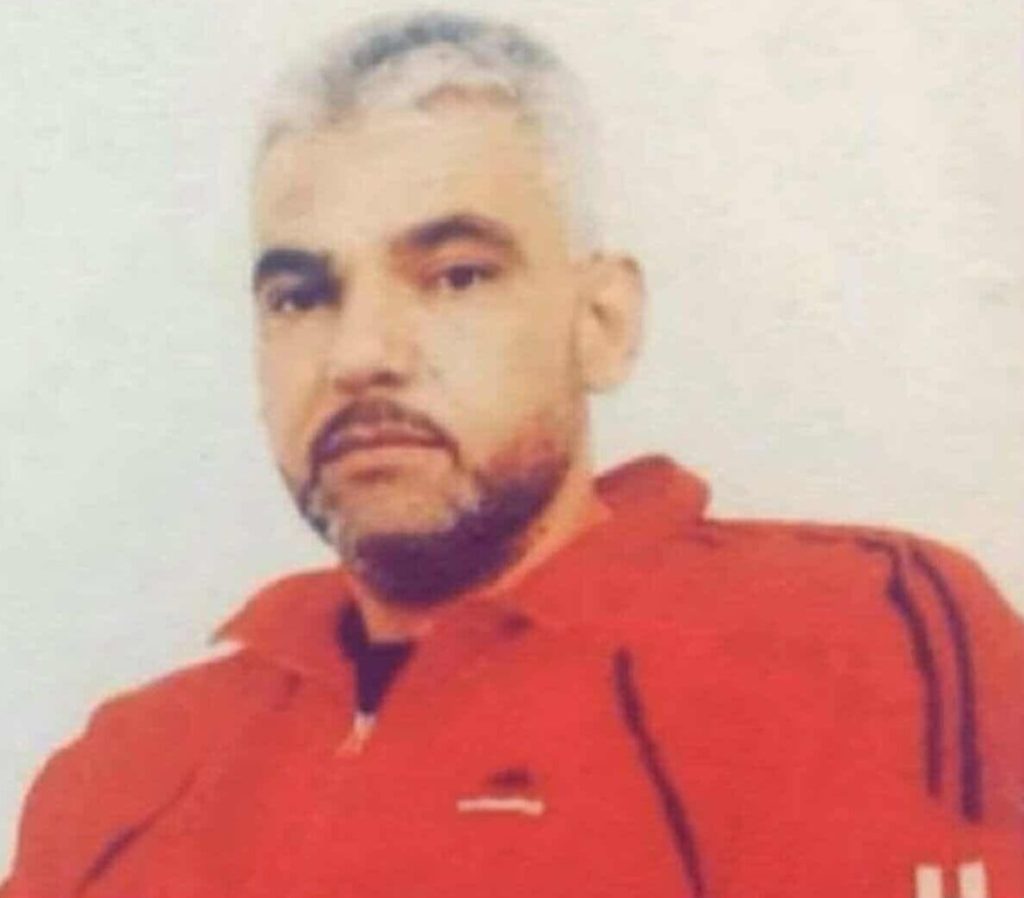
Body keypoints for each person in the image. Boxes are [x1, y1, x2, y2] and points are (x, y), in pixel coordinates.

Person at [3, 11, 1021, 898]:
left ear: (601, 323)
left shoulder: (847, 636)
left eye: (455, 275)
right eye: (302, 297)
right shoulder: (126, 773)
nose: (359, 354)